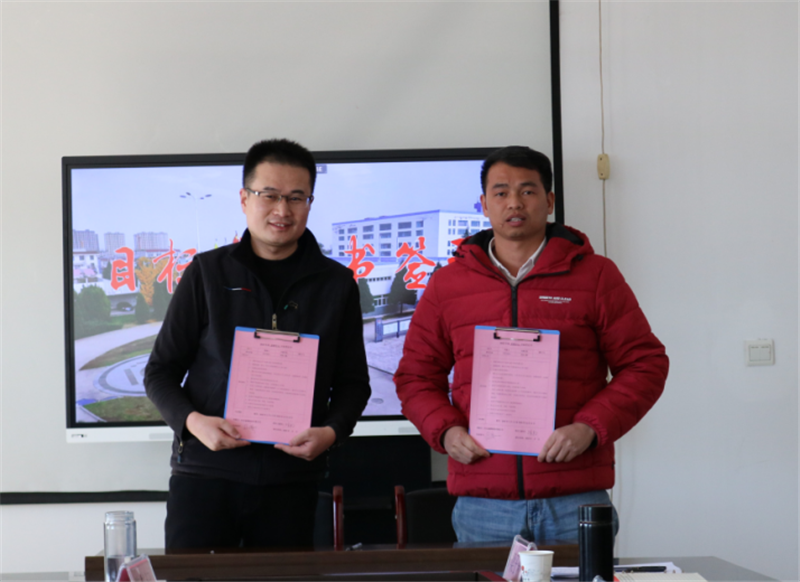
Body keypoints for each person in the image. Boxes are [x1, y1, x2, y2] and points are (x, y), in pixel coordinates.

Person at [394, 146, 668, 543]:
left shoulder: (596, 276)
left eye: (527, 191)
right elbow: (415, 376)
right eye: (501, 192)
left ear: (549, 201)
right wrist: (447, 432)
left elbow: (646, 363)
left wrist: (589, 428)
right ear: (484, 203)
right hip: (483, 503)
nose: (514, 203)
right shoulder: (447, 284)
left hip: (574, 498)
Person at [145, 138, 371, 549]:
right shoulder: (207, 273)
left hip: (292, 482)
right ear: (244, 199)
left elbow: (353, 383)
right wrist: (193, 423)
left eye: (296, 197)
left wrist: (331, 432)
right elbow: (160, 371)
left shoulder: (336, 284)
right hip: (205, 477)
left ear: (310, 202)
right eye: (269, 195)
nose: (282, 210)